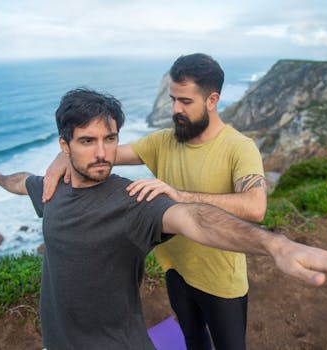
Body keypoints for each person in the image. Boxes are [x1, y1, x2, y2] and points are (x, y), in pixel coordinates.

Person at [0, 87, 327, 349]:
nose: (102, 152)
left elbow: (194, 219)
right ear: (64, 146)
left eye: (110, 139)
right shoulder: (52, 189)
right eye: (88, 141)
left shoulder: (130, 200)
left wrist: (274, 244)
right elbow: (24, 182)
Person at [43, 53, 267, 349]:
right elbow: (101, 151)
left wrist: (182, 196)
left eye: (185, 102)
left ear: (212, 100)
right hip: (176, 270)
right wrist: (62, 157)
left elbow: (255, 207)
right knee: (194, 340)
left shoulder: (239, 148)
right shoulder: (163, 141)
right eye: (173, 98)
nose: (175, 109)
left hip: (221, 279)